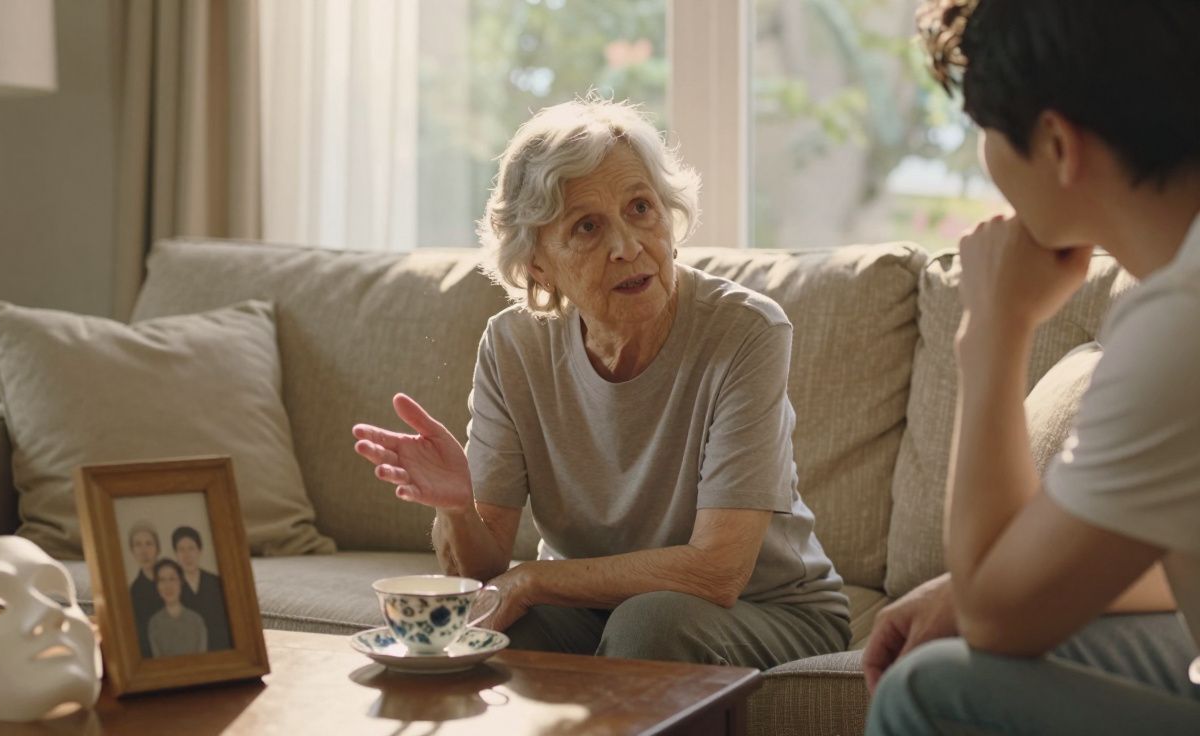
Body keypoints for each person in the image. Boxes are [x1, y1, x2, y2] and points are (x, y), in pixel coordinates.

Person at [352, 97, 850, 669]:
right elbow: (484, 583)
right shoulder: (513, 346)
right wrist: (459, 509)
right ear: (537, 263)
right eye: (587, 227)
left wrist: (534, 578)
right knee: (496, 635)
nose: (628, 246)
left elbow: (719, 571)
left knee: (649, 622)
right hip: (592, 606)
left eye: (641, 208)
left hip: (771, 609)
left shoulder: (746, 331)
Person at [864, 1, 1200, 733]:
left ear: (1056, 143)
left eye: (985, 126)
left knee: (927, 694)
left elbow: (994, 616)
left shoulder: (1181, 320)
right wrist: (974, 588)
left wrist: (991, 329)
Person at [173, 526, 232, 652]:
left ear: (199, 551)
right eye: (181, 550)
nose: (187, 555)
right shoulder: (171, 588)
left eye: (191, 548)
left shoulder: (216, 582)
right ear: (176, 554)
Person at [147, 559, 207, 657]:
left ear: (181, 582)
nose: (168, 586)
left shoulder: (196, 620)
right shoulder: (154, 623)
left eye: (172, 579)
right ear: (157, 586)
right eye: (162, 580)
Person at [126, 521, 164, 658]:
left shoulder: (175, 579)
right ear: (132, 551)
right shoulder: (134, 592)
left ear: (157, 549)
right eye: (138, 545)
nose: (144, 551)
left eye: (149, 544)